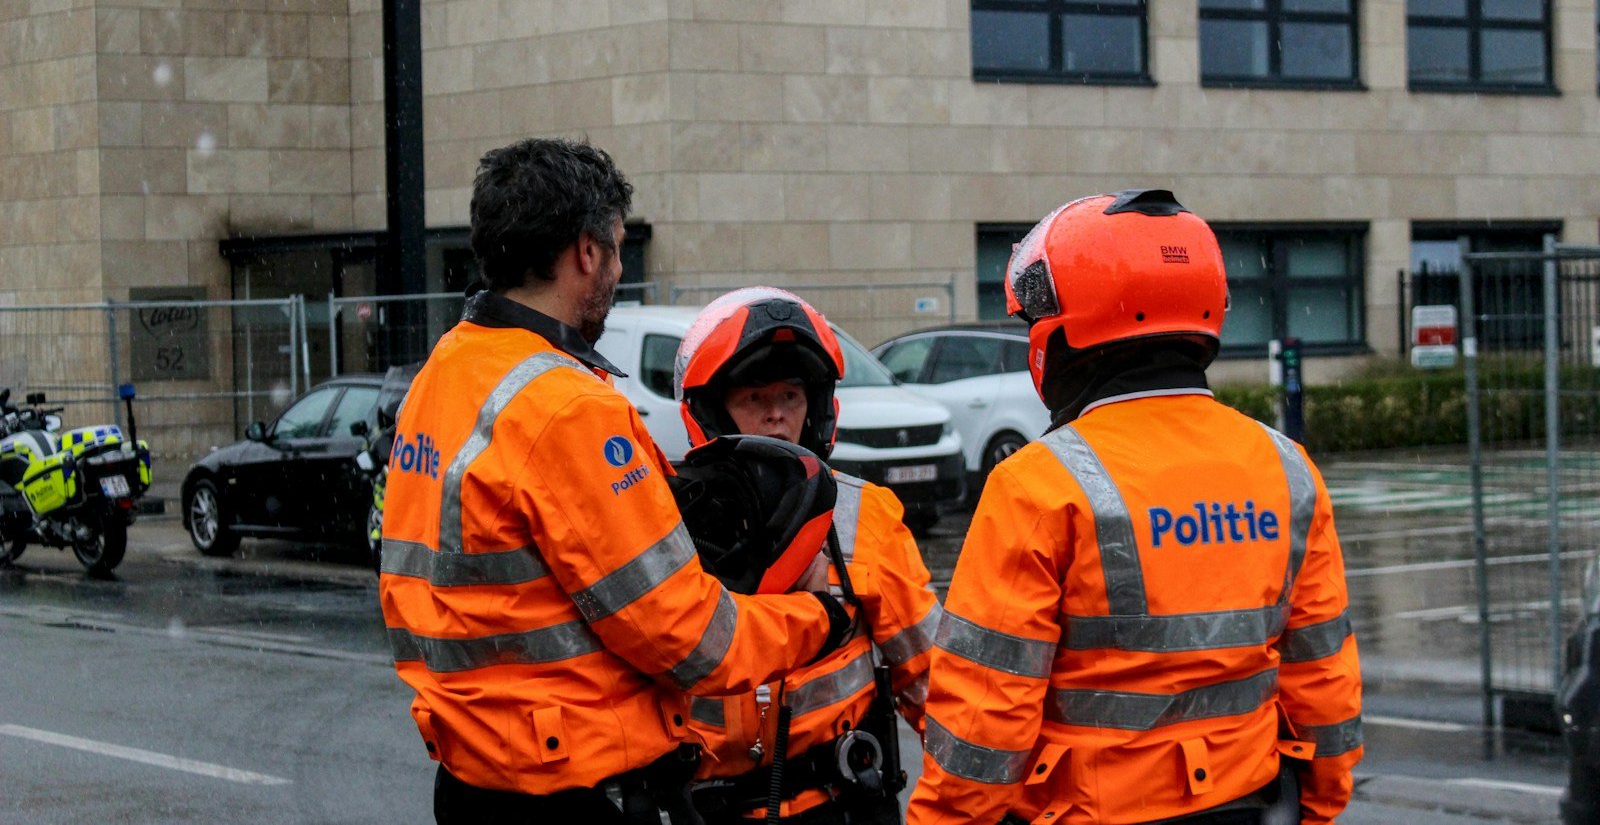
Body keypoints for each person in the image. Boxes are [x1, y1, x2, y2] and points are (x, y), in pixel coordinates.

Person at [378, 139, 854, 824]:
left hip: (472, 777)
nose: (620, 267)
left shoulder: (444, 373)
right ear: (587, 251)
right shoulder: (567, 406)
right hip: (574, 786)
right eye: (619, 247)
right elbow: (692, 639)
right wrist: (822, 618)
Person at [906, 190, 1363, 825]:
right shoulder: (1287, 467)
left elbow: (985, 719)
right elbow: (1324, 680)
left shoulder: (1038, 484)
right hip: (1250, 805)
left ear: (1066, 332)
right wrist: (1316, 807)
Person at [674, 287, 944, 824]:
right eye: (754, 398)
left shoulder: (866, 517)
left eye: (791, 397)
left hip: (845, 803)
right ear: (710, 411)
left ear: (817, 409)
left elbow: (934, 685)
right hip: (709, 809)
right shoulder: (666, 525)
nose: (776, 416)